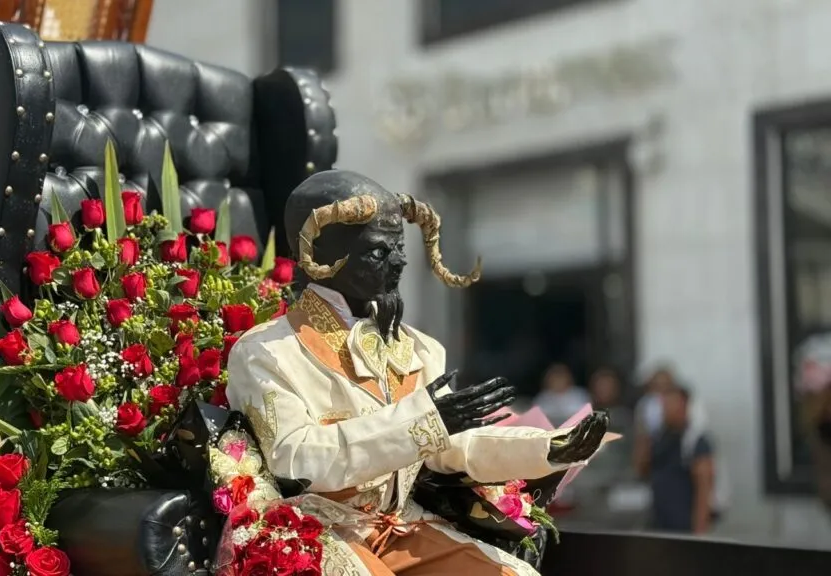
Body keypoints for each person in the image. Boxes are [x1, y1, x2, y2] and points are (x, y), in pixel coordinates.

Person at [227, 170, 609, 575]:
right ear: (319, 258)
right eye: (379, 251)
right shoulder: (267, 350)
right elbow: (297, 459)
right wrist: (424, 422)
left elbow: (452, 447)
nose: (399, 263)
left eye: (399, 248)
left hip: (402, 527)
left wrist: (547, 449)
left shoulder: (421, 349)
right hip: (316, 532)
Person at [638, 385, 716, 534]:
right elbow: (642, 470)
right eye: (664, 404)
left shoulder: (695, 441)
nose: (666, 409)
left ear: (684, 405)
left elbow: (704, 491)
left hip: (684, 528)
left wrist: (699, 533)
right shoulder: (659, 439)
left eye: (671, 403)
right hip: (659, 526)